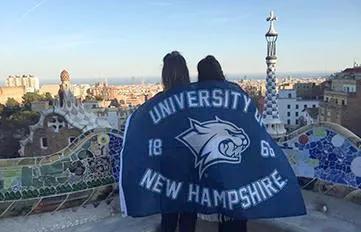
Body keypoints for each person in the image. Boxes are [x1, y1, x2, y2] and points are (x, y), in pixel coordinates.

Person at [197, 55, 248, 232]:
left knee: (224, 212)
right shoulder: (236, 92)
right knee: (238, 211)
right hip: (238, 162)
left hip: (216, 164)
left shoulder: (199, 97)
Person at [160, 51, 197, 232]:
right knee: (189, 218)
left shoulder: (160, 103)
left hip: (169, 169)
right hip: (193, 167)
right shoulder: (195, 99)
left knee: (168, 218)